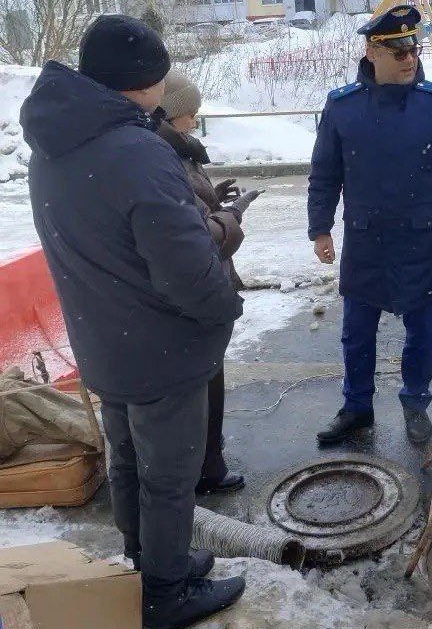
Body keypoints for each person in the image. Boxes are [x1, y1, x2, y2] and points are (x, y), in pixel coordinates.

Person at [20, 15, 246, 628]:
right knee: (169, 476)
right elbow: (187, 272)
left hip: (106, 340)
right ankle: (164, 593)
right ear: (142, 82)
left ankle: (146, 559)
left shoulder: (55, 144)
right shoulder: (136, 152)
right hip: (160, 348)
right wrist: (227, 305)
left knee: (127, 460)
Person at [307, 5, 432, 445]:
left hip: (420, 240)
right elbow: (325, 173)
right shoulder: (343, 107)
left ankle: (415, 401)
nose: (409, 57)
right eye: (398, 49)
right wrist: (321, 228)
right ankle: (357, 407)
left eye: (414, 47)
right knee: (357, 334)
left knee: (423, 333)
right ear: (372, 51)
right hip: (365, 242)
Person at [158, 70, 261, 495]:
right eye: (190, 113)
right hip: (197, 293)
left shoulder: (179, 152)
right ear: (172, 113)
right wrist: (230, 217)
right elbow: (196, 237)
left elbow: (189, 211)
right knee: (204, 378)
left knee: (207, 376)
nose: (195, 121)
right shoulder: (165, 156)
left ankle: (206, 458)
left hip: (201, 289)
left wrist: (212, 197)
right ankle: (206, 469)